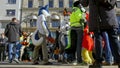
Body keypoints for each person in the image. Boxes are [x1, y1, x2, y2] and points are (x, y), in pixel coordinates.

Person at [80, 0, 120, 68]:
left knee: (109, 37)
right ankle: (100, 61)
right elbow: (84, 3)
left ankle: (100, 62)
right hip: (99, 17)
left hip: (104, 17)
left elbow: (111, 3)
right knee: (105, 38)